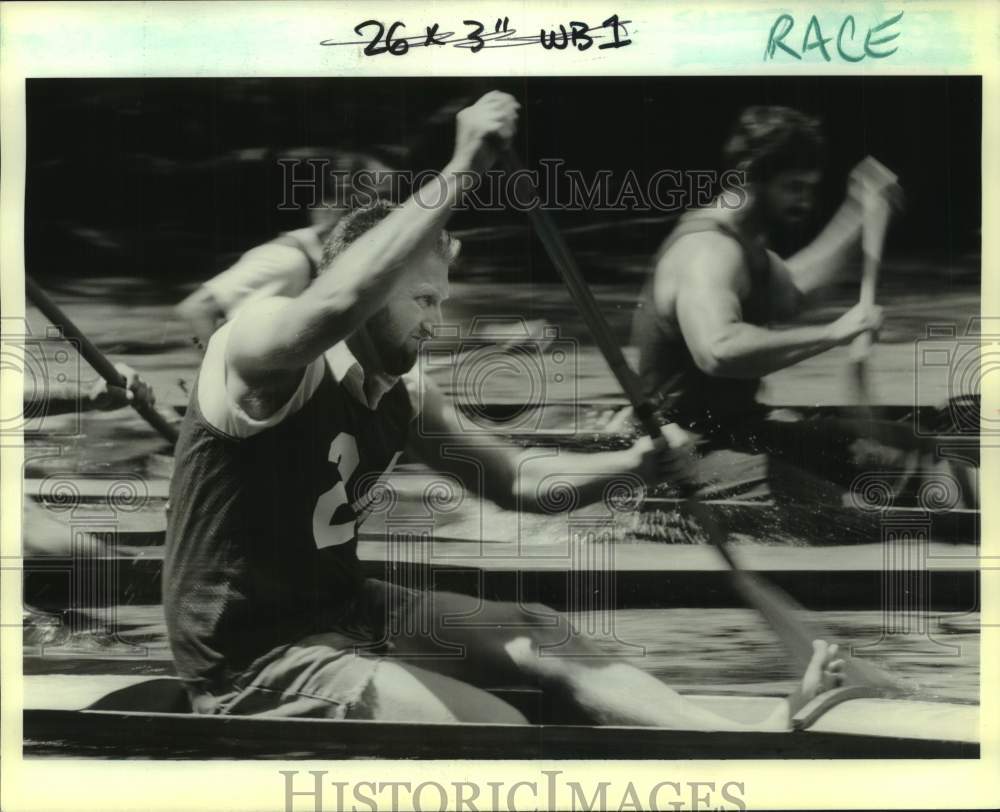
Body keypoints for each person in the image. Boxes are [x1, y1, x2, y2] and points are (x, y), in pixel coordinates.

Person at [164, 91, 843, 730]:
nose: (437, 321)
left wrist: (635, 465)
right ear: (372, 291)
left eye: (442, 300)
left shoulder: (404, 391)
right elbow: (334, 304)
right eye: (424, 301)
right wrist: (463, 167)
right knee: (498, 725)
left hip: (346, 610)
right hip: (252, 659)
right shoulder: (258, 346)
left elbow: (515, 482)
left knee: (539, 630)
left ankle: (739, 733)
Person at [629, 105, 977, 506]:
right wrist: (834, 333)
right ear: (749, 176)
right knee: (826, 498)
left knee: (907, 447)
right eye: (794, 187)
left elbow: (792, 292)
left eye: (810, 188)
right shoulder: (708, 251)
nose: (806, 201)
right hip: (683, 452)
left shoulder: (748, 245)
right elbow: (719, 351)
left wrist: (858, 216)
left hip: (740, 430)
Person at [175, 153, 393, 349]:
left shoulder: (340, 262)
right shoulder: (287, 260)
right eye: (379, 203)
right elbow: (197, 309)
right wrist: (215, 376)